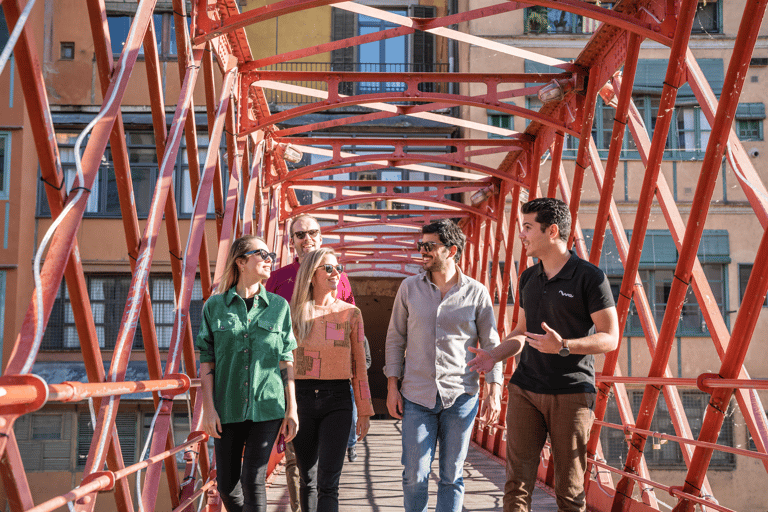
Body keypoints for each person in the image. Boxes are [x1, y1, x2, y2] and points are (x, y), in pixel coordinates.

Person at [468, 197, 619, 512]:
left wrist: (564, 345)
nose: (521, 234)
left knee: (570, 490)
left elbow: (610, 337)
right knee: (516, 486)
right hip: (525, 389)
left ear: (552, 231)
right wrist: (494, 355)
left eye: (527, 227)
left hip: (572, 393)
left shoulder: (590, 277)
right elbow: (523, 331)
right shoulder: (527, 278)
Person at [385, 218, 504, 512]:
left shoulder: (476, 292)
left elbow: (492, 344)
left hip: (461, 396)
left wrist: (495, 387)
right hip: (416, 395)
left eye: (429, 246)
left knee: (452, 476)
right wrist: (391, 385)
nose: (422, 251)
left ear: (451, 250)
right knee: (415, 475)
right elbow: (394, 339)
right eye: (420, 245)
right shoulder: (408, 288)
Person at [196, 235, 298, 512]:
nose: (269, 260)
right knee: (228, 486)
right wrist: (209, 409)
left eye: (271, 255)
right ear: (240, 262)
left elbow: (286, 358)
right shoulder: (214, 306)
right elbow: (207, 358)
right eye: (261, 254)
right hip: (227, 406)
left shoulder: (279, 307)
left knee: (253, 478)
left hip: (268, 405)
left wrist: (292, 409)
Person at [265, 214, 357, 511]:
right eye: (300, 235)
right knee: (299, 465)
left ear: (321, 235)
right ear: (291, 241)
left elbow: (351, 325)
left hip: (334, 384)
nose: (307, 239)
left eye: (313, 233)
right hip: (292, 381)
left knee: (323, 474)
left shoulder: (336, 275)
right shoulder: (279, 279)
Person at [289, 247, 374, 512]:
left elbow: (360, 366)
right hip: (300, 399)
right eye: (328, 268)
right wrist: (284, 408)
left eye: (338, 268)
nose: (336, 273)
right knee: (308, 479)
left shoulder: (351, 313)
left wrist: (364, 411)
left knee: (328, 482)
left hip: (337, 400)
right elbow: (283, 364)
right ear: (311, 275)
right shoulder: (292, 313)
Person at [347, 337, 371, 462]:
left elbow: (368, 360)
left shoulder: (362, 339)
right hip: (336, 382)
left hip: (352, 383)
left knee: (353, 417)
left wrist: (356, 369)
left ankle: (351, 446)